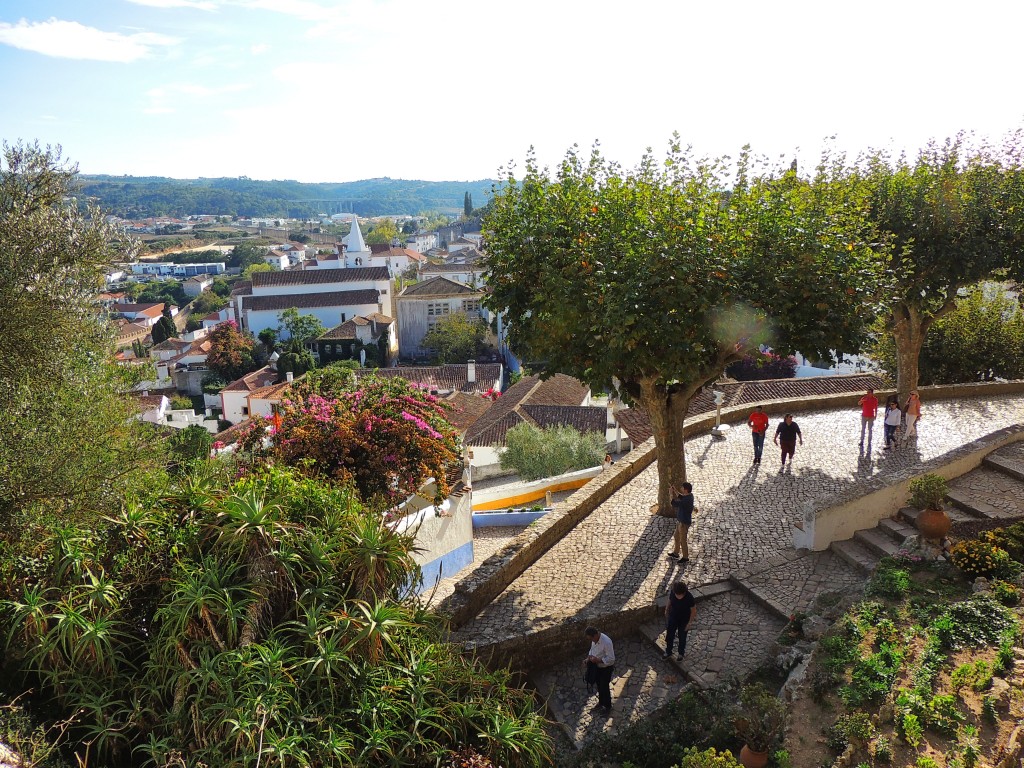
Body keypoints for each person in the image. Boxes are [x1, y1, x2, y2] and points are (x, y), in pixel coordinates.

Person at [584, 626, 615, 713]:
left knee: (604, 687)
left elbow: (611, 659)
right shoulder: (594, 640)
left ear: (595, 635)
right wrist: (588, 659)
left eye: (591, 639)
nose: (591, 641)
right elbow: (592, 650)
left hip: (606, 668)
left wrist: (598, 660)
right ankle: (601, 703)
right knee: (599, 686)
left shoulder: (606, 642)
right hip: (597, 667)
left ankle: (608, 706)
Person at [663, 580, 697, 660]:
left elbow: (693, 611)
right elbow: (670, 600)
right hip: (673, 617)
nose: (677, 596)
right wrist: (666, 610)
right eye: (676, 594)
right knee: (670, 635)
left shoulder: (689, 597)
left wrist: (689, 623)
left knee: (682, 637)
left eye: (679, 595)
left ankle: (680, 653)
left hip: (684, 620)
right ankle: (668, 651)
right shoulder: (673, 592)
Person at [667, 482, 694, 562]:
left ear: (685, 490)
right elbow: (681, 496)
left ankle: (685, 557)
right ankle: (676, 553)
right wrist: (675, 490)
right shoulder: (689, 496)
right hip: (680, 521)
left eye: (682, 488)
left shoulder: (686, 501)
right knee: (676, 536)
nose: (681, 488)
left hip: (683, 523)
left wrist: (671, 494)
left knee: (683, 540)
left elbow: (674, 503)